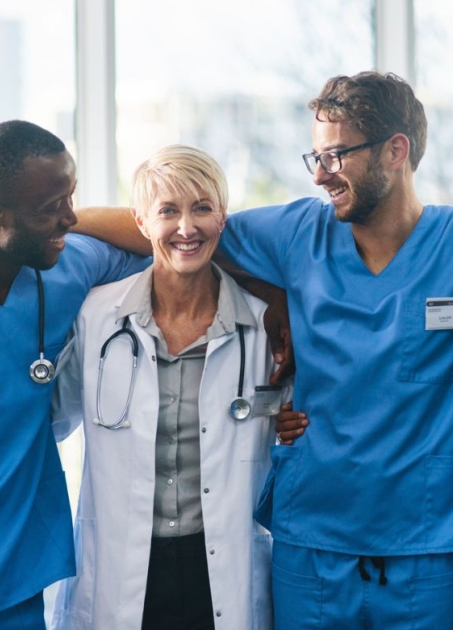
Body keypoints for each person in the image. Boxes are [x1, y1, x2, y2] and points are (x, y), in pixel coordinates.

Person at [74, 71, 453, 629]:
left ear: (395, 151)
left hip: (425, 547)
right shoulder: (297, 233)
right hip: (312, 547)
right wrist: (52, 221)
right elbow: (189, 229)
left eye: (334, 156)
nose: (321, 175)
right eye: (315, 158)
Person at [0, 120, 149, 628]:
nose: (69, 220)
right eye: (50, 210)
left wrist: (278, 300)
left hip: (18, 580)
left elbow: (166, 232)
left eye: (72, 198)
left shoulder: (64, 267)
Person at [50, 145, 283, 630]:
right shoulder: (96, 317)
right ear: (140, 220)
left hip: (221, 569)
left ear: (222, 217)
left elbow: (294, 431)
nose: (186, 228)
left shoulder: (266, 328)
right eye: (168, 211)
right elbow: (51, 421)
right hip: (123, 568)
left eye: (202, 208)